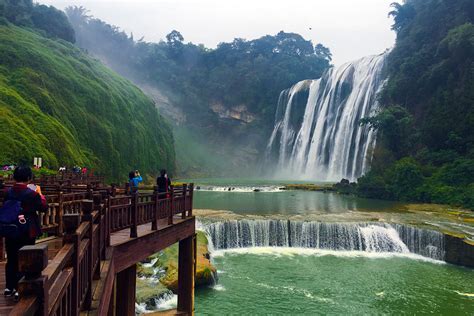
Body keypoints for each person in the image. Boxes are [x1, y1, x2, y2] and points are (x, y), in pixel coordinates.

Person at [3, 166, 47, 300]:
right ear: (29, 178)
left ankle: (9, 287)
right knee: (25, 257)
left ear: (15, 177)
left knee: (11, 257)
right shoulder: (31, 194)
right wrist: (39, 193)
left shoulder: (8, 192)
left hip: (11, 228)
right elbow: (43, 207)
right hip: (27, 229)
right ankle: (19, 287)